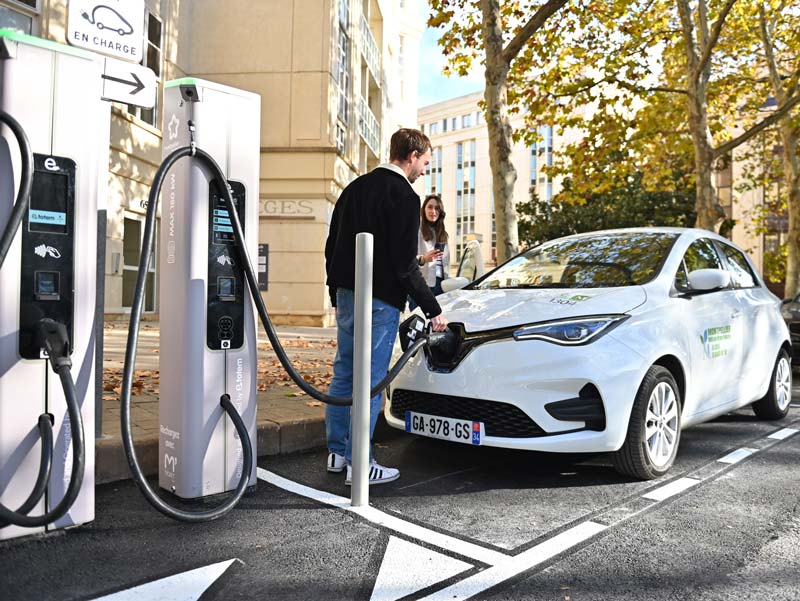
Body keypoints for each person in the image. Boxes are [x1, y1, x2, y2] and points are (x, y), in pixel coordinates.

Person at [324, 128, 449, 485]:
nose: (424, 170)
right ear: (412, 156)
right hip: (379, 300)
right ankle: (359, 465)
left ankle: (337, 453)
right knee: (371, 379)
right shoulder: (404, 196)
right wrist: (433, 308)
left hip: (347, 294)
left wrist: (336, 293)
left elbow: (331, 247)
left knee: (345, 372)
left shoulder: (353, 188)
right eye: (425, 163)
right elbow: (403, 265)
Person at [413, 194, 450, 305]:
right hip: (421, 286)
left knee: (438, 322)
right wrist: (424, 258)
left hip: (440, 285)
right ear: (423, 209)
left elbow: (446, 263)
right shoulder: (416, 229)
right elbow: (407, 258)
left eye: (437, 208)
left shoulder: (443, 233)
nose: (433, 211)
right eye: (430, 207)